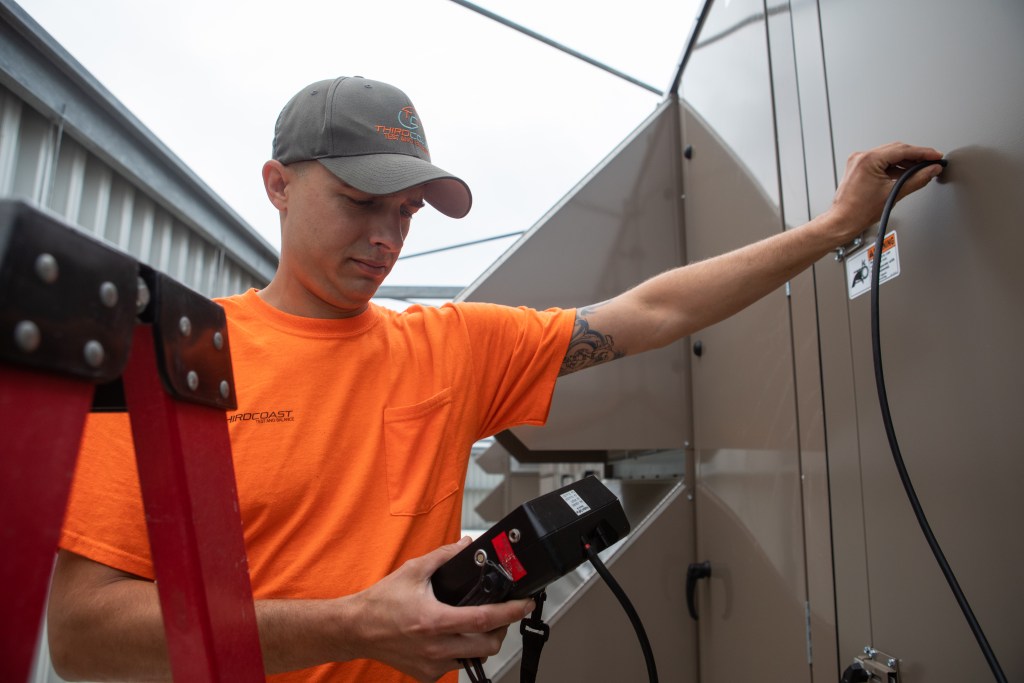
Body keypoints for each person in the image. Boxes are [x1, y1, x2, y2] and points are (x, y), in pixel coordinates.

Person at [45, 76, 944, 683]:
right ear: (278, 184)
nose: (388, 236)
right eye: (361, 201)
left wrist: (833, 230)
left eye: (405, 212)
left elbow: (650, 313)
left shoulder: (452, 348)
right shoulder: (177, 358)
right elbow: (83, 635)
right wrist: (352, 625)